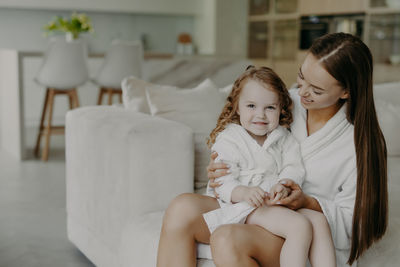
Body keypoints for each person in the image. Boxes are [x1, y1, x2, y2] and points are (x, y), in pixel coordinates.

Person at [157, 32, 388, 267]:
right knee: (181, 209)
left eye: (316, 90)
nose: (302, 92)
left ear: (346, 92)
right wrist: (223, 167)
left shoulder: (359, 144)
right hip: (254, 203)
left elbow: (356, 226)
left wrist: (306, 202)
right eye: (301, 77)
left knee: (227, 238)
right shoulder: (283, 102)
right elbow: (244, 135)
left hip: (300, 232)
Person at [202, 65, 335, 267]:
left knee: (319, 221)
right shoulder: (229, 139)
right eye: (251, 106)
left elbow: (293, 167)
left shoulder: (283, 137)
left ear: (281, 108)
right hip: (246, 205)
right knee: (299, 226)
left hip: (274, 202)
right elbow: (221, 181)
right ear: (237, 107)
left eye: (270, 108)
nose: (261, 115)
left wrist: (283, 184)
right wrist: (242, 192)